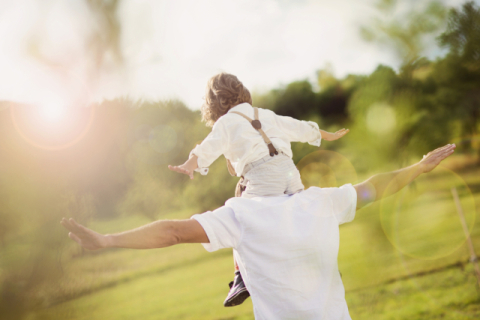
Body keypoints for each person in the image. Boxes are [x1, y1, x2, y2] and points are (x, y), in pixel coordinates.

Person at [61, 143, 456, 320]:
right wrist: (419, 167)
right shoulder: (320, 201)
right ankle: (238, 277)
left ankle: (238, 278)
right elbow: (377, 186)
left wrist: (109, 239)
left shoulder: (240, 215)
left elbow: (172, 232)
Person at [168, 72, 349, 305]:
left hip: (263, 177)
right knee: (303, 218)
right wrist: (327, 135)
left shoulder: (225, 123)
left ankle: (240, 277)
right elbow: (297, 127)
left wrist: (189, 164)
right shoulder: (265, 114)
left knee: (239, 219)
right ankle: (322, 267)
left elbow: (208, 147)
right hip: (289, 172)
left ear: (213, 102)